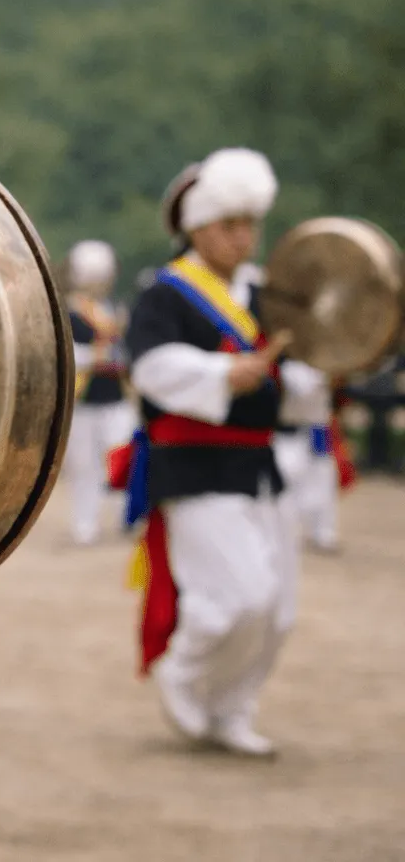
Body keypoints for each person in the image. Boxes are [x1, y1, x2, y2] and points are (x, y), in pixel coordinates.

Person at [116, 148, 330, 757]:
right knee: (238, 596)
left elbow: (295, 386)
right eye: (231, 225)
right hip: (195, 467)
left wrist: (321, 375)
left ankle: (233, 709)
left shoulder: (268, 293)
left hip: (260, 467)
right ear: (200, 228)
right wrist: (223, 373)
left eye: (249, 225)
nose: (244, 238)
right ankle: (183, 673)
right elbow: (152, 367)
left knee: (278, 609)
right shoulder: (167, 292)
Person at [62, 239, 136, 546]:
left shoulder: (114, 309)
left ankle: (126, 518)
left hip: (115, 397)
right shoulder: (70, 313)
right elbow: (66, 354)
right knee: (84, 466)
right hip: (82, 401)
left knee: (122, 457)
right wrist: (97, 356)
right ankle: (85, 523)